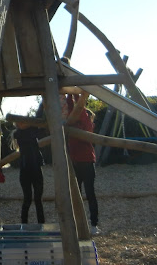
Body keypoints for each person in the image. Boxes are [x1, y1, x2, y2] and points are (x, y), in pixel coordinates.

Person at [64, 87, 100, 235]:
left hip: (84, 161)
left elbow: (77, 108)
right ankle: (82, 223)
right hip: (80, 160)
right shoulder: (77, 121)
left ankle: (93, 224)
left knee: (88, 193)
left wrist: (74, 93)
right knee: (79, 194)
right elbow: (75, 107)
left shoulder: (87, 125)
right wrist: (73, 93)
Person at [12, 120, 45, 224]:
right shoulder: (18, 133)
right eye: (21, 123)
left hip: (36, 168)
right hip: (26, 170)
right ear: (18, 124)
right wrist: (31, 123)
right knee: (28, 198)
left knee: (38, 199)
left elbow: (39, 121)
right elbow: (28, 131)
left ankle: (41, 223)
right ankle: (24, 223)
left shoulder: (32, 130)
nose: (23, 124)